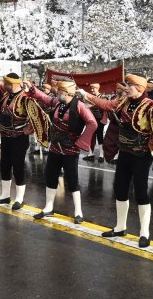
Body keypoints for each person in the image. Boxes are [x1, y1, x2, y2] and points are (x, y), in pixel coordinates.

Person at [82, 73, 153, 248]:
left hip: (141, 155)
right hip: (124, 152)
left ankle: (144, 233)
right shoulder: (123, 102)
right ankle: (120, 227)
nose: (126, 88)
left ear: (140, 88)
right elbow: (106, 104)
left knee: (141, 193)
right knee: (119, 189)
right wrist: (85, 95)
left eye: (130, 86)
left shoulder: (151, 106)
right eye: (126, 85)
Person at [26, 78, 97, 224]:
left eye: (59, 91)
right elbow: (44, 98)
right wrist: (32, 88)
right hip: (55, 147)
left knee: (72, 180)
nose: (57, 93)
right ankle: (48, 207)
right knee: (50, 176)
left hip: (70, 149)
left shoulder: (80, 106)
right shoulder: (58, 103)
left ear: (66, 92)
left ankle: (78, 211)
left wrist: (81, 142)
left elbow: (92, 123)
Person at [0, 64, 48, 210]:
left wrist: (28, 130)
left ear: (12, 85)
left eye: (6, 83)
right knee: (4, 166)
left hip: (19, 138)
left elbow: (36, 116)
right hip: (5, 136)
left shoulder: (25, 98)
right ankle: (4, 196)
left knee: (17, 167)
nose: (3, 85)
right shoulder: (6, 94)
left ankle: (19, 198)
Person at [83, 83, 107, 163]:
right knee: (90, 136)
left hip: (99, 119)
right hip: (91, 119)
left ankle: (101, 155)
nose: (92, 90)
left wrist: (103, 120)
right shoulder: (90, 98)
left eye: (94, 88)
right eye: (91, 88)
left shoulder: (103, 97)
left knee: (99, 136)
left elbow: (105, 110)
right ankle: (90, 154)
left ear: (97, 88)